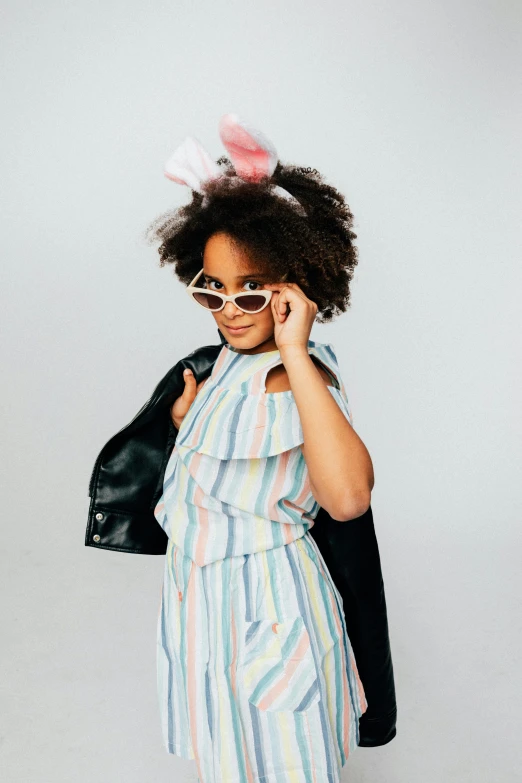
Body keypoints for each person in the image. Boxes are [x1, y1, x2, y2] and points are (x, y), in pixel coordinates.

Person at [144, 113, 374, 783]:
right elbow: (235, 475)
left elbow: (348, 495)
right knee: (231, 761)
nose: (230, 308)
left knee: (284, 761)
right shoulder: (224, 366)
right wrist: (192, 424)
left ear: (298, 288)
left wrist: (297, 349)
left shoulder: (298, 372)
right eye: (211, 288)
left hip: (269, 610)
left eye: (252, 291)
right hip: (207, 602)